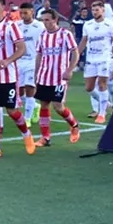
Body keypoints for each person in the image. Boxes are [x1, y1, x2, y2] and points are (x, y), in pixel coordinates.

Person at [0, 0, 36, 159]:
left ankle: (27, 134)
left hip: (8, 77)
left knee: (12, 111)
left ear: (3, 7)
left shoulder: (11, 26)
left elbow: (21, 48)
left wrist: (8, 60)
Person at [33, 9, 81, 146]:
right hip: (44, 76)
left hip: (59, 77)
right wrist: (36, 74)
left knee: (58, 106)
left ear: (55, 20)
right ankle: (45, 137)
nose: (45, 23)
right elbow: (39, 55)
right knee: (44, 105)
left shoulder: (65, 34)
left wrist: (70, 70)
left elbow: (75, 53)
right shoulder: (42, 35)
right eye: (43, 20)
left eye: (48, 20)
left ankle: (74, 125)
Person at [75, 0, 113, 124]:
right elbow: (84, 41)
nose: (95, 12)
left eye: (97, 10)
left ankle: (101, 114)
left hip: (105, 58)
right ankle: (108, 105)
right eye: (93, 10)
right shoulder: (88, 25)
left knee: (102, 84)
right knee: (89, 88)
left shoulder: (110, 24)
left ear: (103, 10)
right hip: (91, 59)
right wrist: (76, 56)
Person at [16, 3, 45, 126]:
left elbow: (44, 43)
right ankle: (35, 106)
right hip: (19, 61)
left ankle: (27, 118)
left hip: (33, 61)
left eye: (25, 13)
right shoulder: (17, 26)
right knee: (19, 92)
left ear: (32, 12)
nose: (23, 15)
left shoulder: (39, 26)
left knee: (30, 88)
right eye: (21, 13)